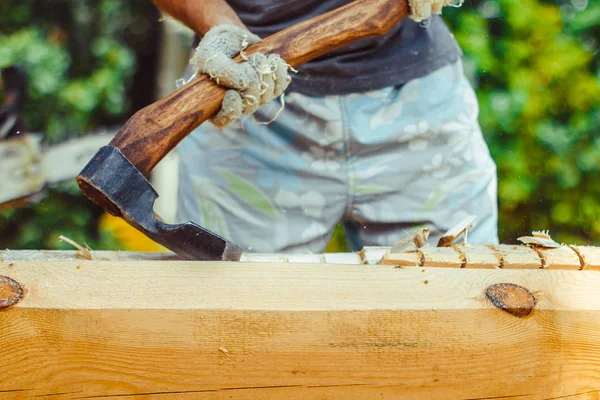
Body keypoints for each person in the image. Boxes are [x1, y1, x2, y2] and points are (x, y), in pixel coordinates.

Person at [152, 0, 499, 253]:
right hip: (250, 108)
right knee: (234, 330)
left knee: (464, 308)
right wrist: (218, 23)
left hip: (419, 104)